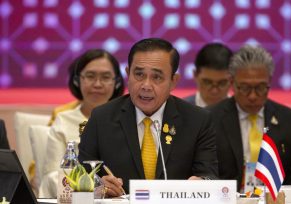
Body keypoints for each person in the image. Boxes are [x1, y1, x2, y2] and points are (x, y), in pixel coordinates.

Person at [78, 38, 218, 197]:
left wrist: (201, 182)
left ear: (173, 81)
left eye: (157, 77)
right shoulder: (101, 118)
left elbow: (209, 176)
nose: (146, 85)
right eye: (139, 74)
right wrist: (98, 186)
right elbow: (81, 177)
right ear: (127, 74)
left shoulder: (198, 121)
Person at [208, 45, 291, 192]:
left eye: (261, 87)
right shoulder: (209, 120)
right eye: (244, 88)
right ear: (232, 83)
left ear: (270, 81)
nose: (252, 96)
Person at [39, 49, 125, 197]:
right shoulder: (63, 120)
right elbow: (51, 177)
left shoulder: (128, 120)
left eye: (105, 77)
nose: (97, 84)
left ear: (116, 82)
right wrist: (93, 186)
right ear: (77, 80)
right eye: (90, 76)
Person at [184, 43, 233, 107]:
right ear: (195, 75)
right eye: (207, 82)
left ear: (233, 79)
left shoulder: (245, 112)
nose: (214, 91)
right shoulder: (177, 112)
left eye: (222, 83)